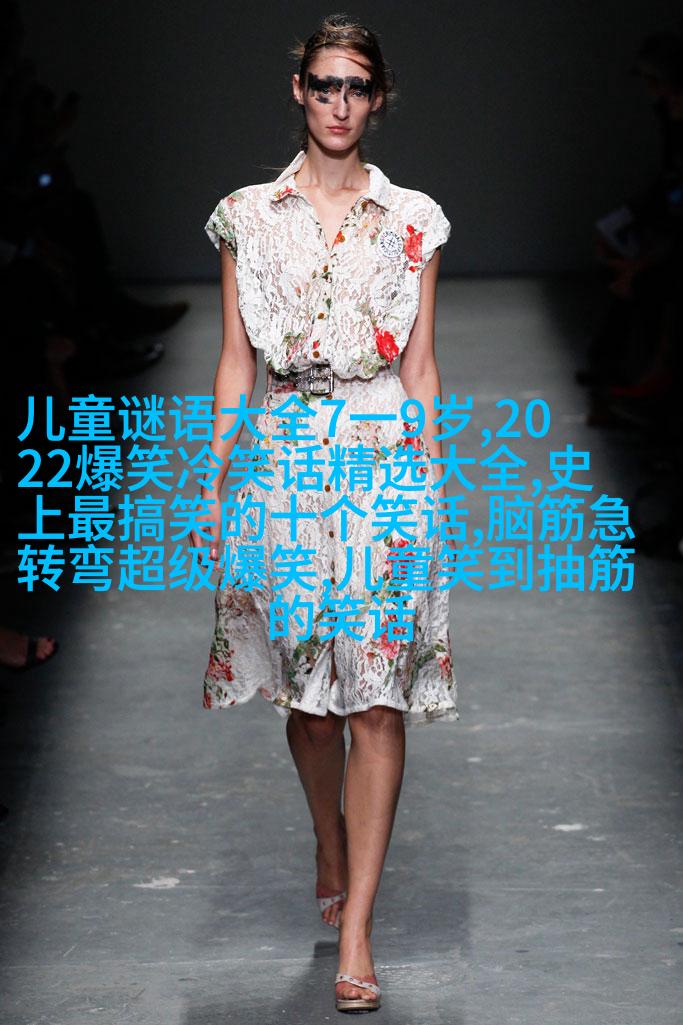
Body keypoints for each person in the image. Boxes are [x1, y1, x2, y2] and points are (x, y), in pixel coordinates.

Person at [193, 14, 459, 1013]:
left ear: (376, 98)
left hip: (384, 454)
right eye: (323, 84)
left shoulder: (415, 219)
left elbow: (421, 365)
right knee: (309, 707)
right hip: (283, 456)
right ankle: (326, 835)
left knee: (377, 699)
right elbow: (234, 357)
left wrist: (428, 482)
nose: (339, 103)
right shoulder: (244, 216)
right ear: (298, 91)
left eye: (355, 86)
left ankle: (357, 930)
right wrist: (215, 476)